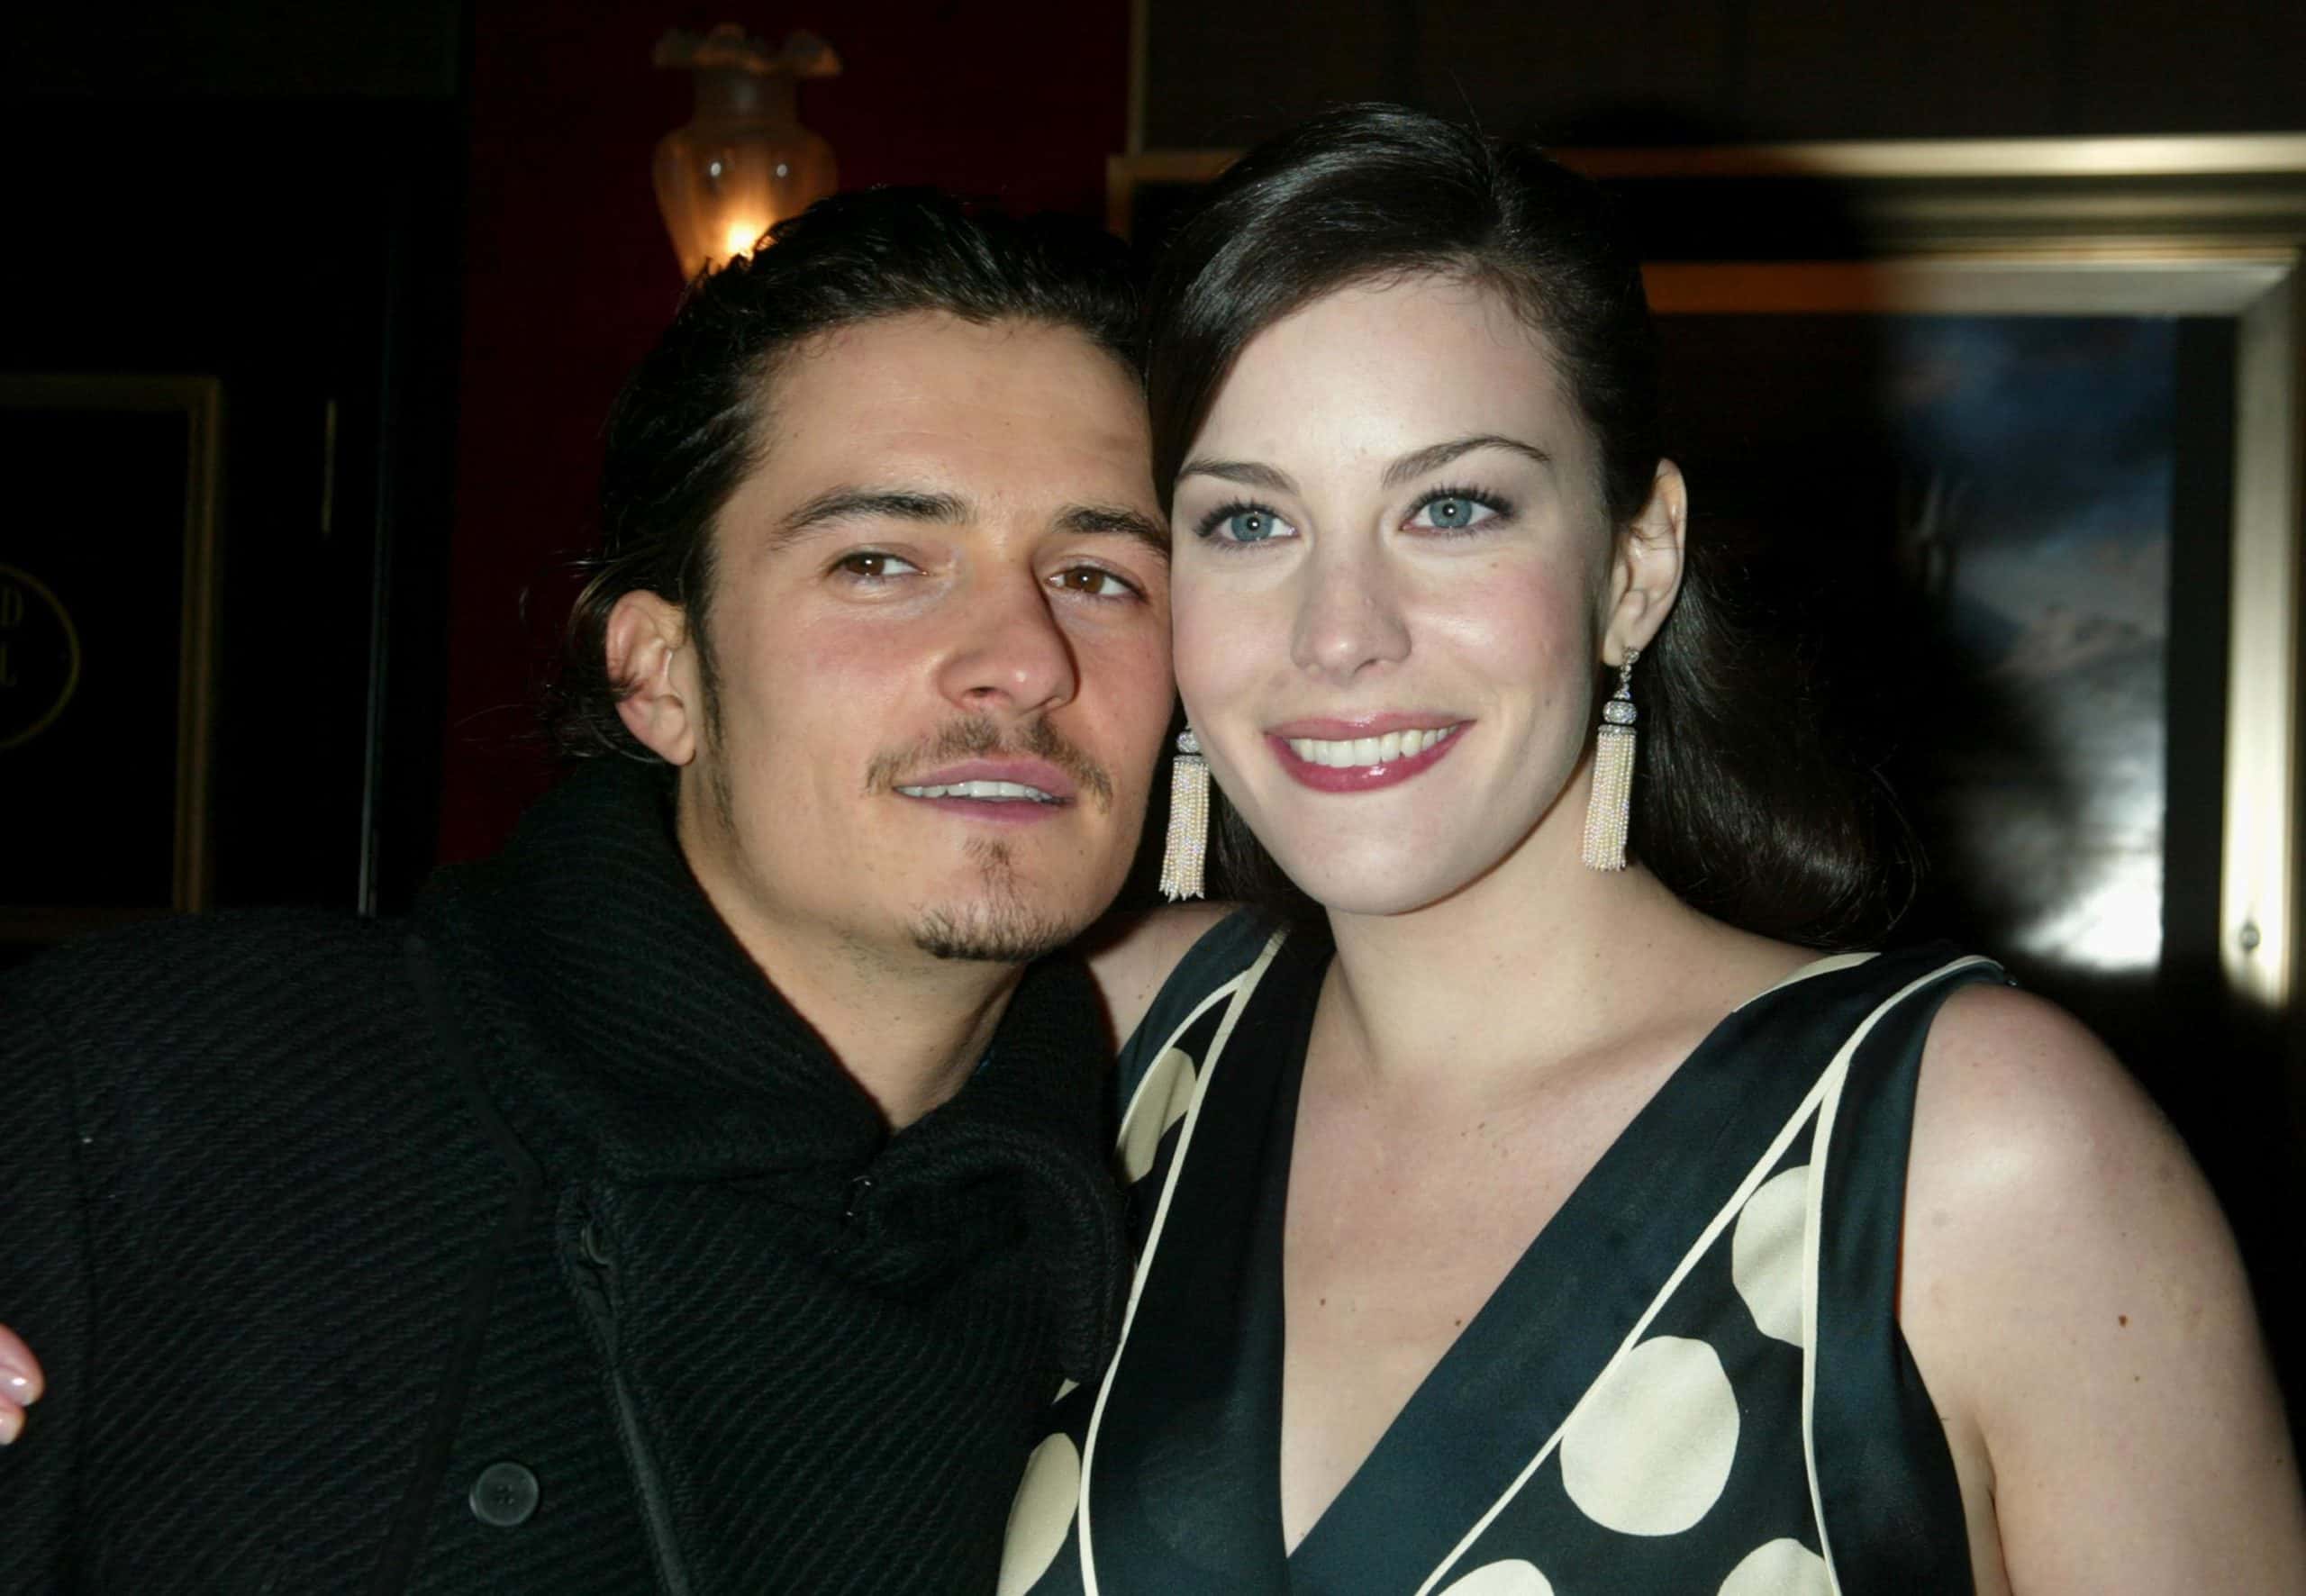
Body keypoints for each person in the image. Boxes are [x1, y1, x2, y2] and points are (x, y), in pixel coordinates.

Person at [997, 106, 2306, 1594]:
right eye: (1247, 523)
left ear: (1637, 563)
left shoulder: (1976, 1155)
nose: (1340, 633)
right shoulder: (1112, 1055)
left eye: (1451, 508)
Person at [0, 187, 1197, 1592]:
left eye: (1100, 575)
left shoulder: (1185, 1241)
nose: (1025, 659)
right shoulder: (152, 1087)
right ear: (658, 675)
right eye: (878, 562)